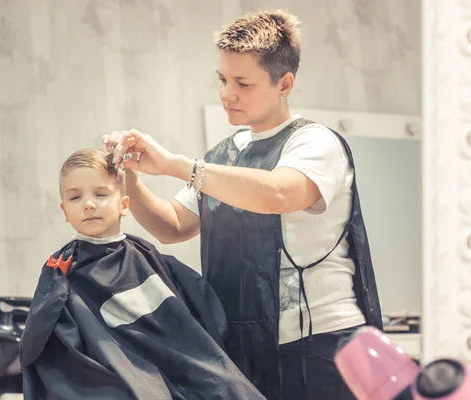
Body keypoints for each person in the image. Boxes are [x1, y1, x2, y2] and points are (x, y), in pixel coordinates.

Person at [103, 9, 382, 400]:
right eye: (222, 79)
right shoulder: (221, 156)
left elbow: (279, 193)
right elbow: (172, 225)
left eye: (243, 83)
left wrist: (178, 166)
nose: (226, 94)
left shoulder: (315, 143)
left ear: (284, 83)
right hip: (243, 347)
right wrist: (132, 174)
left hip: (320, 346)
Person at [20, 148, 265, 400]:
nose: (88, 204)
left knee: (231, 388)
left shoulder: (145, 255)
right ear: (64, 211)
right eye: (75, 198)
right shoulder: (62, 268)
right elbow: (47, 347)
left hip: (180, 364)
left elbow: (194, 316)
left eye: (101, 193)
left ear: (124, 204)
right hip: (116, 379)